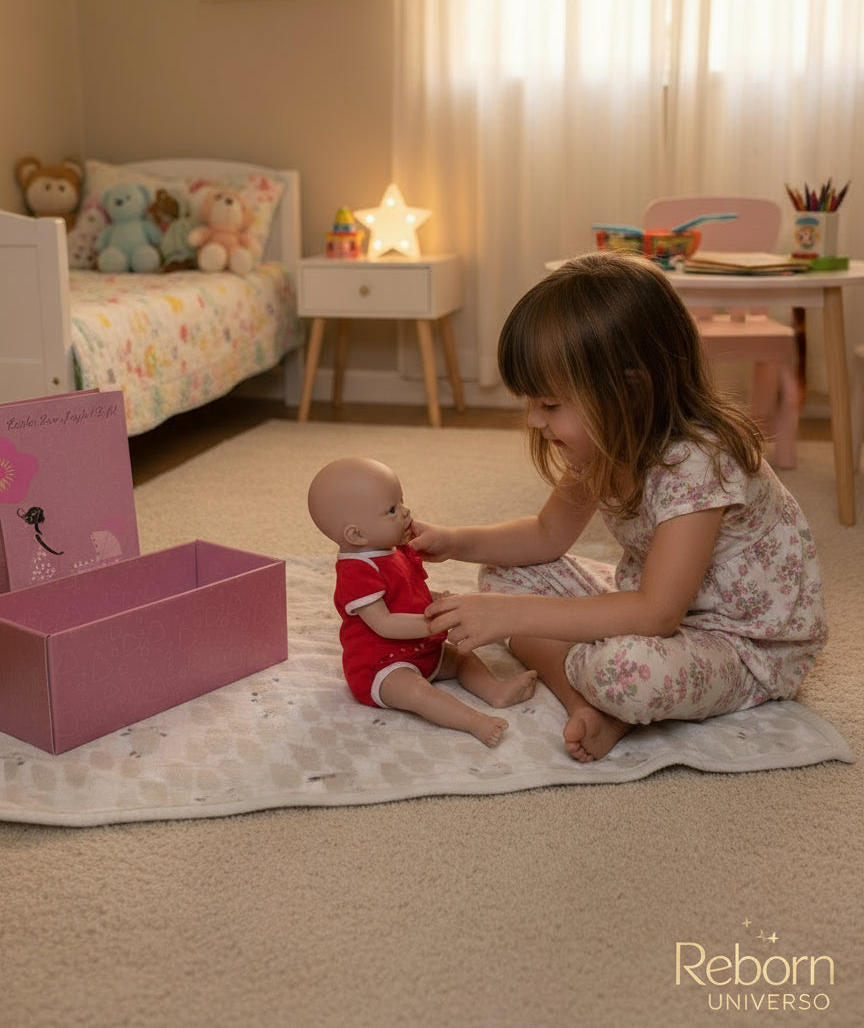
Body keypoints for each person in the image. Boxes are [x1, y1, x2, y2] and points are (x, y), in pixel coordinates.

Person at [411, 252, 827, 763]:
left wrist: (510, 617)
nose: (535, 421)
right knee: (502, 574)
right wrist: (456, 542)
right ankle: (587, 705)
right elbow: (546, 535)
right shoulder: (605, 442)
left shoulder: (699, 461)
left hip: (742, 645)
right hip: (656, 608)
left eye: (550, 404)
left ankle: (607, 697)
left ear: (628, 391)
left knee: (625, 671)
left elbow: (656, 612)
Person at [307, 456, 537, 747]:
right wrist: (432, 623)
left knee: (461, 657)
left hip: (422, 650)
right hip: (383, 667)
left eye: (401, 501)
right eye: (392, 510)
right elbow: (384, 623)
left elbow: (410, 591)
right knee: (417, 693)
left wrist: (438, 600)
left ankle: (495, 691)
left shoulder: (393, 550)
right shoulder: (357, 571)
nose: (406, 512)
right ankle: (473, 722)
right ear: (356, 534)